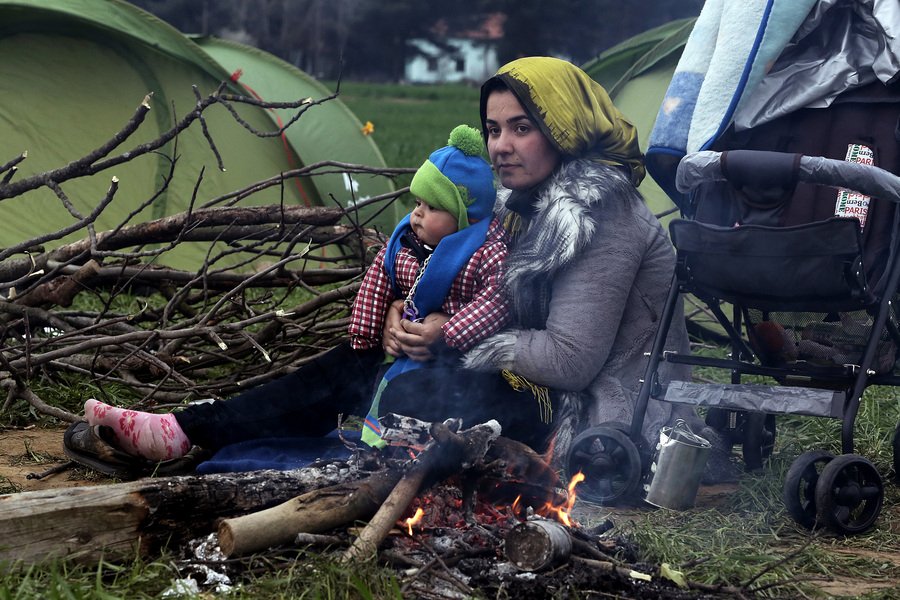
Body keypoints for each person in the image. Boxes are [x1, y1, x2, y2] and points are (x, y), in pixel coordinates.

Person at [65, 124, 510, 469]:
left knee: (397, 400)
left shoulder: (486, 253)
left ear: (464, 216)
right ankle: (184, 428)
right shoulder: (410, 243)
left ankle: (199, 434)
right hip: (391, 356)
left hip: (455, 376)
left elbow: (494, 305)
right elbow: (381, 282)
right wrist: (376, 325)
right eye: (417, 203)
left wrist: (446, 333)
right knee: (323, 376)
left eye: (431, 208)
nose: (416, 215)